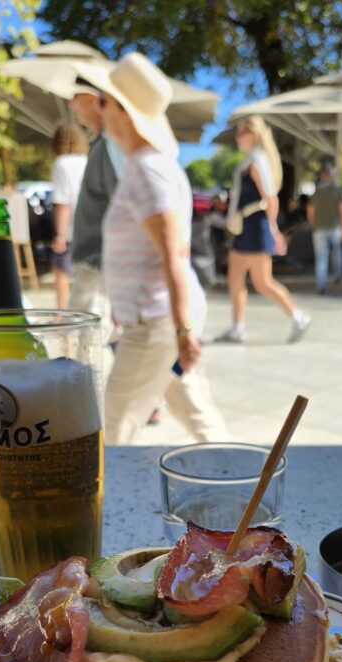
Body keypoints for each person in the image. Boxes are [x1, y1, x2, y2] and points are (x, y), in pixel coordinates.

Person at [91, 52, 226, 444]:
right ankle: (240, 488)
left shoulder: (149, 168)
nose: (99, 112)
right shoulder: (147, 164)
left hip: (157, 324)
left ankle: (106, 504)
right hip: (158, 321)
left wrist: (183, 331)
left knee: (113, 430)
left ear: (124, 112)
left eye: (103, 101)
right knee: (198, 416)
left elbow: (174, 254)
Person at [215, 116, 311, 344]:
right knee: (237, 278)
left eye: (241, 133)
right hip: (247, 227)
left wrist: (273, 230)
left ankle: (298, 316)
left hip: (255, 227)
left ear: (253, 134)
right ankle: (238, 326)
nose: (237, 138)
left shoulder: (257, 161)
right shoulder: (252, 160)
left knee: (261, 282)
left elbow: (270, 198)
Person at [66, 74, 125, 327]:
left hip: (99, 261)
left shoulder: (110, 146)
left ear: (93, 100)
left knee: (82, 340)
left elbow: (121, 205)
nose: (71, 105)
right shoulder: (104, 144)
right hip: (99, 261)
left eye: (75, 97)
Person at [49, 121, 88, 308]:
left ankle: (61, 314)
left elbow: (63, 201)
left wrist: (59, 234)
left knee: (61, 272)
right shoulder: (88, 161)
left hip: (70, 228)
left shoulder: (61, 164)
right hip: (88, 226)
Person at [307, 162, 342, 294]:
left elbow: (310, 212)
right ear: (331, 176)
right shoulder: (336, 190)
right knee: (337, 252)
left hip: (319, 228)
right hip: (335, 227)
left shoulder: (316, 192)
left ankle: (321, 284)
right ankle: (338, 275)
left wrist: (314, 223)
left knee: (321, 257)